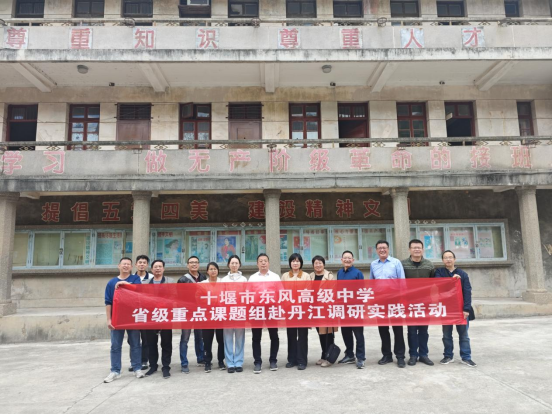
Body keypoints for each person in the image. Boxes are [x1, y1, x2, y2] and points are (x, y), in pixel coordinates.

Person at [103, 257, 145, 383]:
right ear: (119, 266)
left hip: (132, 316)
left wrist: (124, 284)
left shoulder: (135, 279)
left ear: (131, 267)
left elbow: (139, 290)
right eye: (123, 264)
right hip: (117, 318)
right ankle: (115, 371)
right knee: (115, 345)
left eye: (128, 264)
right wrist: (109, 319)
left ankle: (137, 368)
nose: (126, 266)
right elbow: (108, 302)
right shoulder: (111, 283)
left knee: (135, 344)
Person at [435, 250, 477, 367]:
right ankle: (448, 356)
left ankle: (466, 357)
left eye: (450, 257)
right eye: (445, 257)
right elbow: (439, 284)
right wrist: (452, 280)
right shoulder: (439, 272)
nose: (448, 259)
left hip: (461, 309)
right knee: (446, 334)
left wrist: (466, 309)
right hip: (447, 308)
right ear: (442, 260)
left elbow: (467, 292)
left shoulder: (463, 274)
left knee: (464, 335)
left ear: (454, 259)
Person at [370, 240, 407, 368]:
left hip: (395, 300)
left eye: (384, 247)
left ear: (388, 249)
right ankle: (387, 355)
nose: (382, 250)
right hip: (380, 301)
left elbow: (402, 281)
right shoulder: (373, 264)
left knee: (398, 329)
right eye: (379, 248)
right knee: (383, 329)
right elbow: (372, 282)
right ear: (376, 250)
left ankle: (400, 356)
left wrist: (403, 299)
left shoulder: (396, 262)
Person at [401, 239, 436, 366]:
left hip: (425, 303)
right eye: (414, 247)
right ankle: (413, 355)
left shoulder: (429, 265)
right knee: (411, 330)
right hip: (409, 303)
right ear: (409, 249)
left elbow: (435, 281)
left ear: (422, 249)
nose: (417, 250)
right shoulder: (403, 264)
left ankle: (423, 354)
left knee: (423, 331)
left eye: (419, 247)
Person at [249, 253, 280, 374]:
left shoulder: (275, 277)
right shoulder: (252, 278)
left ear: (269, 263)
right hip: (256, 309)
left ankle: (273, 360)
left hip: (271, 309)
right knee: (256, 337)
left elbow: (281, 293)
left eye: (265, 261)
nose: (263, 263)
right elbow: (247, 294)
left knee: (274, 336)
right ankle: (257, 362)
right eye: (260, 261)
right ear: (257, 264)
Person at [281, 253, 311, 370]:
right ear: (290, 263)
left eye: (297, 261)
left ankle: (302, 361)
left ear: (301, 263)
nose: (295, 263)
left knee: (302, 336)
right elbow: (282, 292)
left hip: (302, 310)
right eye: (293, 261)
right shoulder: (285, 276)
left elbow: (308, 292)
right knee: (291, 335)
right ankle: (292, 359)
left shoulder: (306, 276)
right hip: (290, 310)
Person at [145, 260, 174, 379]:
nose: (158, 268)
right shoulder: (145, 283)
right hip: (150, 316)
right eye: (155, 267)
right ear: (152, 269)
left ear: (163, 269)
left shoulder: (170, 281)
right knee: (151, 343)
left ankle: (166, 367)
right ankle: (153, 366)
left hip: (165, 316)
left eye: (160, 266)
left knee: (166, 343)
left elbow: (174, 297)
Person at [337, 250, 366, 369]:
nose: (347, 260)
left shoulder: (358, 273)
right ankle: (349, 355)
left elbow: (362, 291)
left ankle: (361, 358)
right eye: (345, 258)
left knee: (358, 334)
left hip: (355, 309)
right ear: (341, 260)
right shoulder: (339, 273)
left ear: (353, 260)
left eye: (349, 258)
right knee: (346, 333)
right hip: (343, 309)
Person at [177, 255, 206, 373]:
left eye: (196, 262)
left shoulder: (203, 277)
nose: (194, 264)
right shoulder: (182, 279)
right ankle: (184, 363)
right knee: (185, 338)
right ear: (187, 265)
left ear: (198, 264)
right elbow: (179, 297)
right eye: (191, 262)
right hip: (187, 312)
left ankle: (201, 358)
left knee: (200, 336)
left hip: (200, 312)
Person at [309, 255, 338, 368]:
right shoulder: (310, 276)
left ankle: (329, 358)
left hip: (326, 309)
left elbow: (333, 292)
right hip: (315, 309)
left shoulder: (329, 276)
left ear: (324, 264)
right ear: (313, 265)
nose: (318, 265)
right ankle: (323, 355)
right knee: (321, 333)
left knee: (328, 334)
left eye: (320, 263)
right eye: (316, 263)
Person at [221, 255, 247, 373]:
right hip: (227, 312)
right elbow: (221, 296)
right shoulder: (224, 280)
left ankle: (238, 362)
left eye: (236, 263)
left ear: (239, 265)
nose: (234, 265)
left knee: (240, 338)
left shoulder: (244, 279)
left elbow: (247, 295)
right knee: (228, 338)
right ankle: (230, 363)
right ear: (228, 265)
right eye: (232, 263)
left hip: (240, 312)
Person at [199, 262, 226, 373]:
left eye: (215, 269)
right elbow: (199, 298)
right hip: (207, 316)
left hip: (220, 314)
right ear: (207, 271)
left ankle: (221, 361)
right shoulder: (202, 284)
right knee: (207, 340)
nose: (213, 271)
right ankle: (207, 362)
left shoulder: (223, 282)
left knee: (221, 340)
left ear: (218, 271)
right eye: (211, 269)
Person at [130, 254, 153, 372]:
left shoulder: (152, 278)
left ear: (147, 265)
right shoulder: (130, 278)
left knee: (145, 337)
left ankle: (144, 360)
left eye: (144, 262)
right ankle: (134, 361)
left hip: (146, 312)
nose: (142, 264)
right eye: (140, 262)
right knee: (132, 339)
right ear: (136, 264)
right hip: (133, 312)